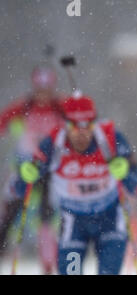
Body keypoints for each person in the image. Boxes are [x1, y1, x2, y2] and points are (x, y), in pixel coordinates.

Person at [14, 93, 137, 274]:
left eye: (87, 126)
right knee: (71, 271)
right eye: (74, 127)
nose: (81, 134)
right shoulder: (53, 143)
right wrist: (26, 175)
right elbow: (19, 190)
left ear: (95, 124)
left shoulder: (111, 139)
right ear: (65, 125)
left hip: (110, 218)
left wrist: (126, 174)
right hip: (73, 221)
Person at [0, 65, 66, 274]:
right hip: (23, 167)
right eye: (39, 90)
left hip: (49, 168)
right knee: (10, 212)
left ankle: (47, 263)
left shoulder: (59, 107)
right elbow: (3, 122)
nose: (43, 95)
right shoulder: (23, 106)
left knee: (47, 217)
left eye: (46, 90)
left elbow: (83, 121)